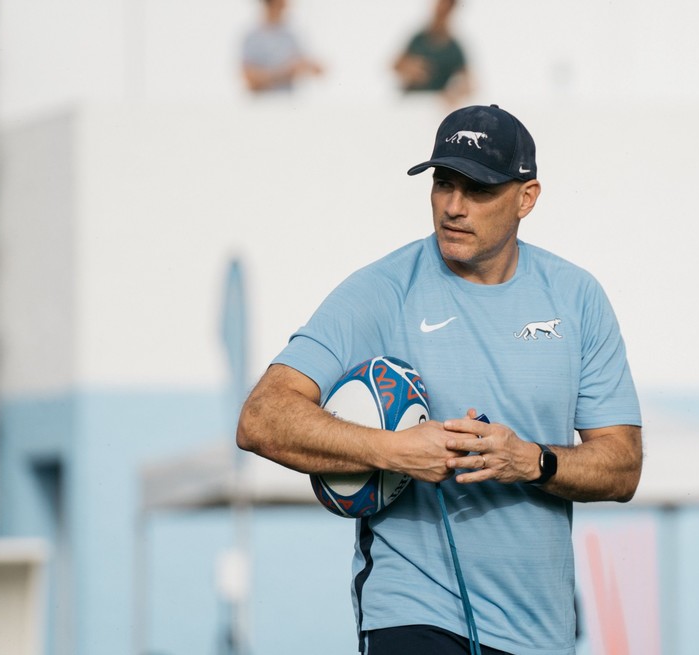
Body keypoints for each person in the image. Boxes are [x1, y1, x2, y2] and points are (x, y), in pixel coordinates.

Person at [236, 104, 643, 655]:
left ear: (526, 198)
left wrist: (532, 461)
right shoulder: (381, 290)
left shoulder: (577, 298)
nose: (453, 206)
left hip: (540, 632)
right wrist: (393, 451)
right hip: (411, 613)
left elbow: (622, 466)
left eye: (479, 190)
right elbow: (262, 417)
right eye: (443, 184)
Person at [392, 0, 472, 107]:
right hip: (412, 103)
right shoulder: (418, 39)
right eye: (439, 7)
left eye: (445, 10)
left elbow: (468, 83)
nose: (440, 13)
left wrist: (456, 91)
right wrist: (410, 69)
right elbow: (395, 65)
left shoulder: (454, 48)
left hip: (435, 106)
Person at [240, 0, 324, 95]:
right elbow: (251, 81)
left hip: (287, 101)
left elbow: (316, 69)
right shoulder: (252, 38)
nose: (285, 10)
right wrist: (286, 72)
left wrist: (307, 66)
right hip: (262, 101)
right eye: (281, 6)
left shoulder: (290, 36)